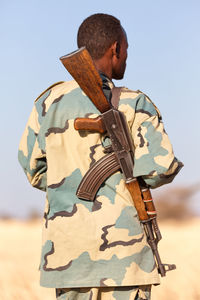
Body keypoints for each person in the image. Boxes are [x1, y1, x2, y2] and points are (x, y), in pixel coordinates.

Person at [18, 13, 183, 300]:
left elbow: (34, 170)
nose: (126, 58)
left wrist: (68, 184)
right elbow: (162, 168)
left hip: (69, 256)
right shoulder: (134, 103)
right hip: (125, 259)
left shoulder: (47, 104)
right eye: (126, 51)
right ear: (115, 49)